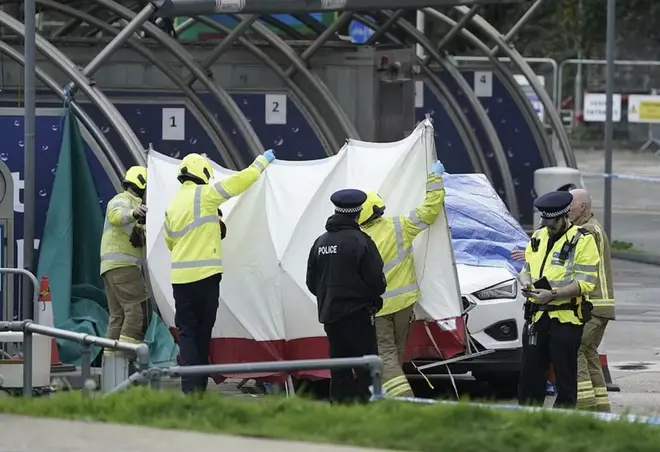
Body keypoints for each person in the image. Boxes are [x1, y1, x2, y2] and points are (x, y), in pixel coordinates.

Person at [164, 150, 275, 394]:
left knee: (188, 334)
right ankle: (197, 389)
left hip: (180, 281)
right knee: (202, 334)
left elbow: (170, 242)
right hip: (205, 278)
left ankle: (191, 387)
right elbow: (239, 183)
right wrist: (261, 162)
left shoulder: (172, 206)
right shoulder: (204, 195)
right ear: (202, 173)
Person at [358, 160, 446, 398]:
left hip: (378, 306)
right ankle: (388, 398)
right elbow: (429, 211)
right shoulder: (400, 226)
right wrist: (435, 180)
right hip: (405, 303)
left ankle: (403, 398)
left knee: (385, 353)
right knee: (394, 353)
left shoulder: (359, 238)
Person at [518, 191, 600, 409]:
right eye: (545, 222)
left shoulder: (583, 241)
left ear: (564, 217)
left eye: (552, 223)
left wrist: (553, 294)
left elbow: (585, 283)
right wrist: (525, 282)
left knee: (565, 376)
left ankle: (562, 419)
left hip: (566, 319)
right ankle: (527, 420)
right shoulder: (538, 236)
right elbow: (526, 269)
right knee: (530, 374)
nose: (548, 227)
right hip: (537, 315)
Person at [306, 189, 387, 404]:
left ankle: (340, 411)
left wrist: (331, 297)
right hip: (359, 316)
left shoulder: (320, 242)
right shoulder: (362, 242)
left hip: (330, 315)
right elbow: (377, 282)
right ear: (358, 213)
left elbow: (311, 283)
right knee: (366, 367)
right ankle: (366, 411)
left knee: (339, 368)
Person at [569, 188, 615, 412]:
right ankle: (601, 408)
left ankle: (585, 407)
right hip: (602, 306)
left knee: (575, 350)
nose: (566, 211)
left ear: (583, 207)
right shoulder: (595, 227)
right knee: (589, 354)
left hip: (592, 304)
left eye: (570, 207)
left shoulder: (586, 231)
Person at [101, 166, 152, 358]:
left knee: (119, 317)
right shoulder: (123, 200)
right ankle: (124, 365)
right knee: (140, 312)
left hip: (112, 269)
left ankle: (111, 371)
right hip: (123, 268)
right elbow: (116, 216)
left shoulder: (134, 205)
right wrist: (135, 214)